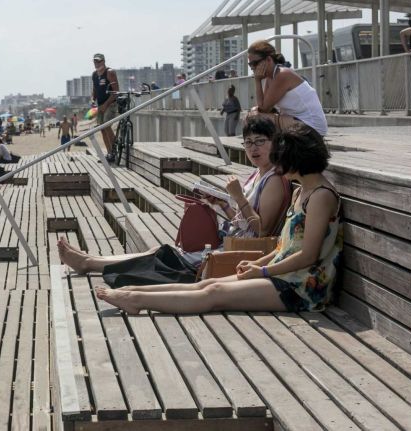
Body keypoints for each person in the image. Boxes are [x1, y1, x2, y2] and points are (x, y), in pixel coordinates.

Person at [84, 124, 342, 315]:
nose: (278, 165)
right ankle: (132, 293)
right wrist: (257, 265)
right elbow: (283, 247)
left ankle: (137, 301)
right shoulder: (302, 190)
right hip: (284, 273)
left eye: (281, 159)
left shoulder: (321, 196)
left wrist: (262, 270)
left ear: (295, 159)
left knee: (214, 294)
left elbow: (308, 256)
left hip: (302, 287)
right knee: (209, 283)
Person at [59, 117, 291, 287]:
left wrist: (238, 197)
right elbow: (245, 223)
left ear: (275, 143)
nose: (253, 148)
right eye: (248, 143)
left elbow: (262, 231)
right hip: (231, 242)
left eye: (260, 141)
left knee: (162, 254)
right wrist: (223, 205)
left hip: (238, 253)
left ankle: (89, 263)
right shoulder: (258, 174)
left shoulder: (274, 179)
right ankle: (91, 260)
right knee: (159, 250)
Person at [246, 40, 328, 136]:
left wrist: (257, 81)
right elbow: (262, 106)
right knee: (253, 113)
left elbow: (264, 109)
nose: (252, 68)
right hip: (298, 121)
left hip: (312, 126)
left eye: (255, 63)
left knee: (257, 117)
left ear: (268, 60)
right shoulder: (271, 77)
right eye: (250, 65)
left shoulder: (282, 75)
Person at [91, 53, 119, 160]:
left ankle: (114, 151)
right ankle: (109, 153)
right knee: (102, 129)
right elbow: (95, 89)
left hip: (111, 104)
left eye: (98, 61)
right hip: (100, 105)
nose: (97, 64)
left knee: (106, 126)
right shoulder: (94, 74)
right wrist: (93, 99)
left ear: (103, 61)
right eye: (95, 61)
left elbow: (116, 92)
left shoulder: (110, 72)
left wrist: (105, 105)